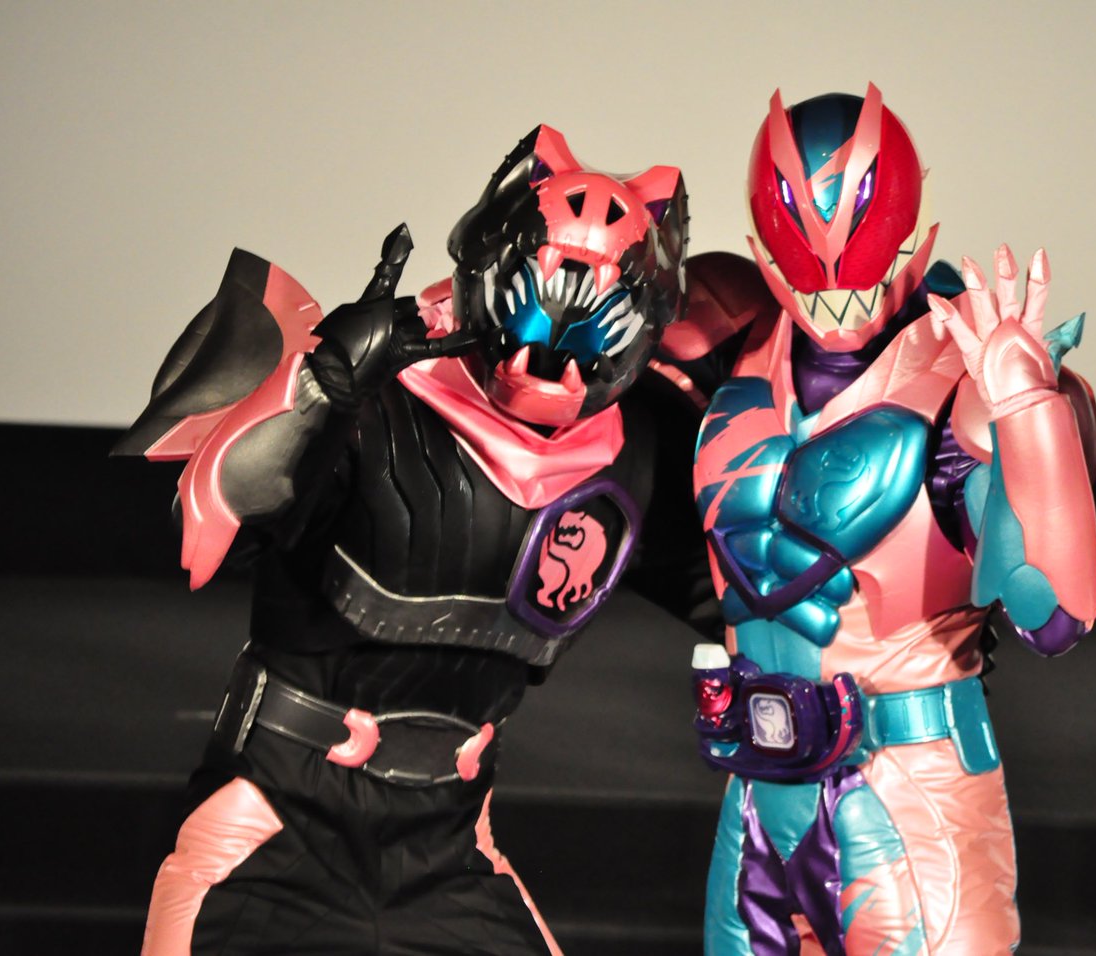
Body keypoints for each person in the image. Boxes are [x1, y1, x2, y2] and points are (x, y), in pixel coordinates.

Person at [117, 124, 699, 955]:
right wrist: (321, 388)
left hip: (451, 850)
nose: (550, 362)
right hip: (273, 829)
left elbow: (742, 592)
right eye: (534, 314)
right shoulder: (375, 383)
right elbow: (211, 527)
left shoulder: (637, 444)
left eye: (590, 333)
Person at [686, 85, 1096, 954]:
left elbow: (1056, 616)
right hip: (760, 795)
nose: (835, 292)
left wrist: (1025, 406)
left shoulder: (960, 385)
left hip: (913, 795)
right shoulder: (736, 350)